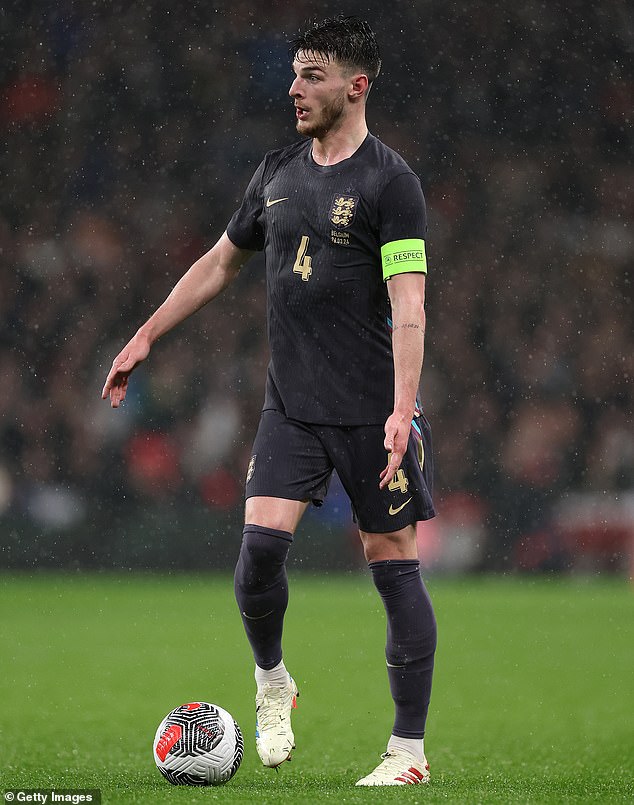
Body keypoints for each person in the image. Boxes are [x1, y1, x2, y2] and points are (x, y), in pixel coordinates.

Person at [102, 15, 437, 787]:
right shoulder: (275, 172)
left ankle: (408, 754)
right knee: (257, 560)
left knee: (394, 565)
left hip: (370, 411)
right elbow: (220, 263)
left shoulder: (392, 183)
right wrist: (146, 333)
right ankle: (272, 679)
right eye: (293, 73)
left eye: (312, 75)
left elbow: (410, 302)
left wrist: (401, 406)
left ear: (357, 85)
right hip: (290, 405)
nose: (293, 87)